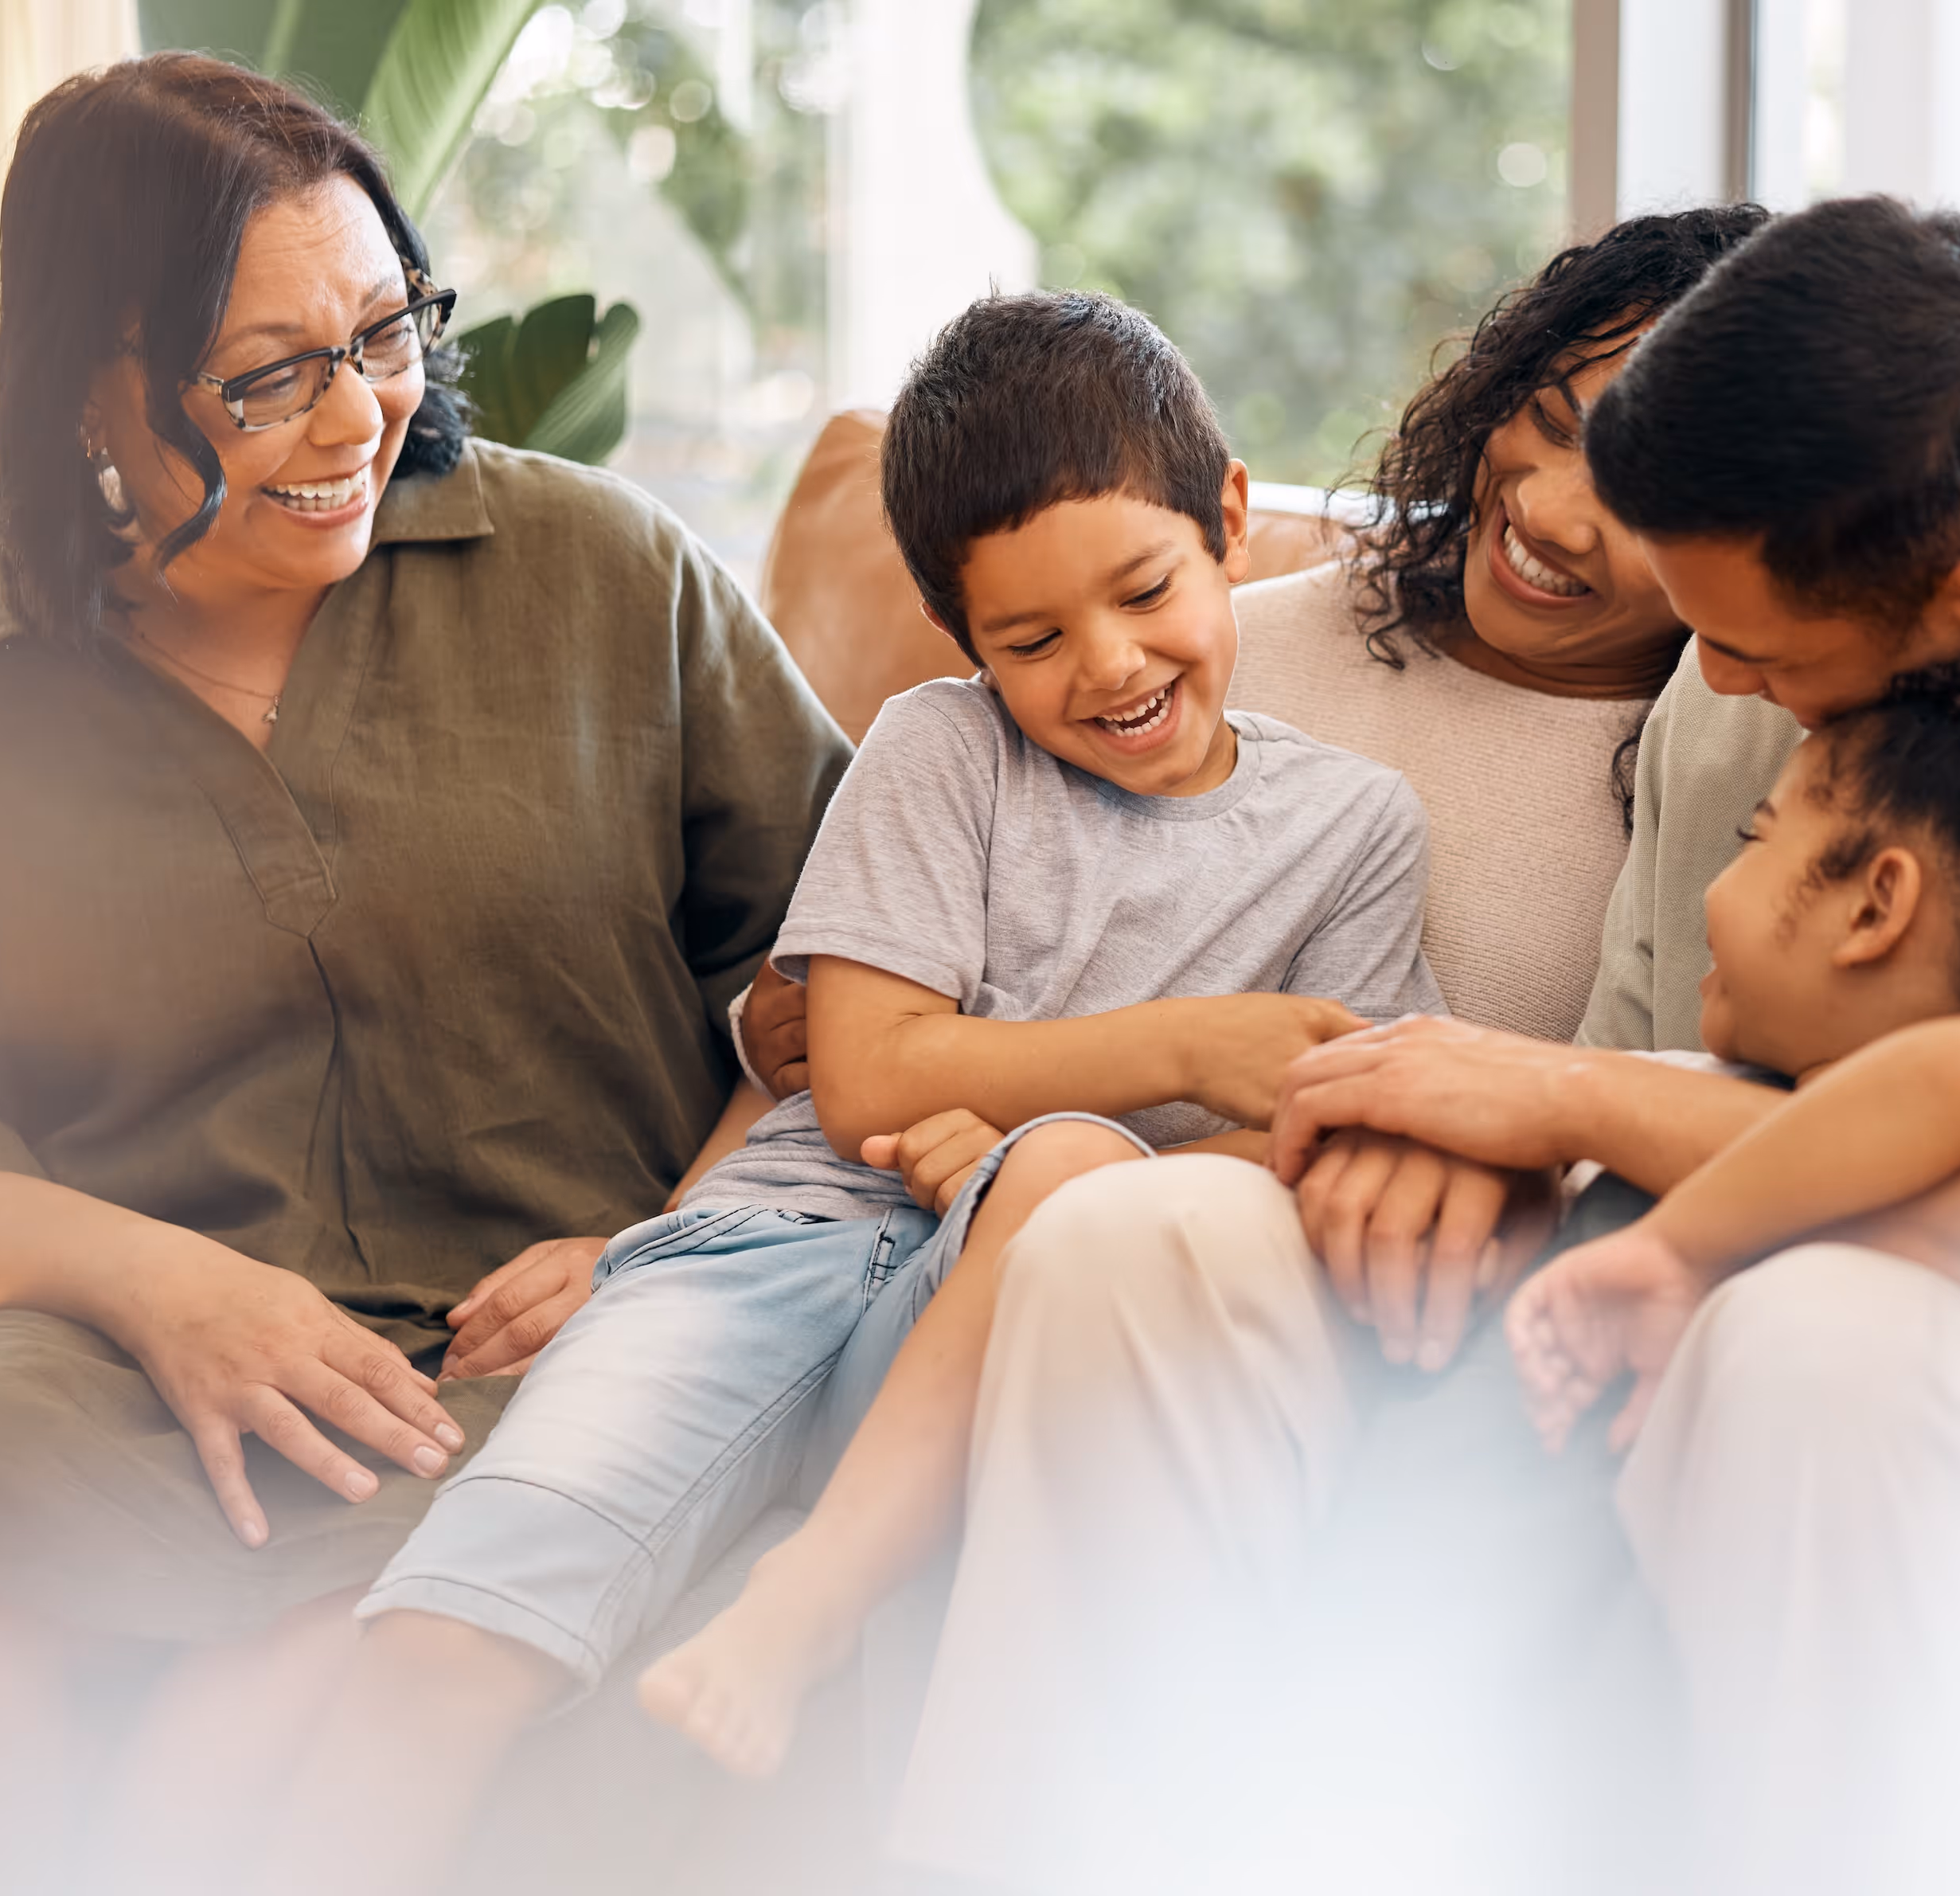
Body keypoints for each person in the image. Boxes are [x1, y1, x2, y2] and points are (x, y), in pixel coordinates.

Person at [885, 197, 1960, 1896]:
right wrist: (1465, 1142)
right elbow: (1625, 1106)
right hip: (1654, 1284)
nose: (1715, 688)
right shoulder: (1728, 671)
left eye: (1765, 655)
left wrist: (1556, 1094)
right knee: (1141, 1226)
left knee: (1811, 1333)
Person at [0, 55, 849, 1896]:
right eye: (268, 374)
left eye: (388, 330)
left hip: (556, 1331)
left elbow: (859, 992)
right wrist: (173, 1290)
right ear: (91, 379)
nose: (358, 414)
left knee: (237, 1731)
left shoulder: (601, 573)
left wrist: (671, 1253)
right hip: (114, 1355)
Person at [260, 289, 1443, 1890]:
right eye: (1030, 640)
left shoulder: (1359, 826)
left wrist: (1029, 1131)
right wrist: (1180, 1044)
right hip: (767, 1246)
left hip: (1015, 1291)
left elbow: (1318, 1130)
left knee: (1074, 1164)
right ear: (966, 643)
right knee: (459, 1620)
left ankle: (804, 1602)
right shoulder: (937, 746)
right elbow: (874, 1067)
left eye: (1146, 589)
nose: (1107, 665)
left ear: (1228, 520)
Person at [1509, 596, 1960, 1452]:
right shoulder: (1677, 1084)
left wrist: (1666, 1236)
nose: (1711, 889)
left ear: (1874, 906)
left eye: (1756, 835)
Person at [1227, 205, 1767, 1042]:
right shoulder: (1216, 646)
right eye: (1552, 422)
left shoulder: (1725, 793)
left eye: (1642, 500)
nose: (1548, 512)